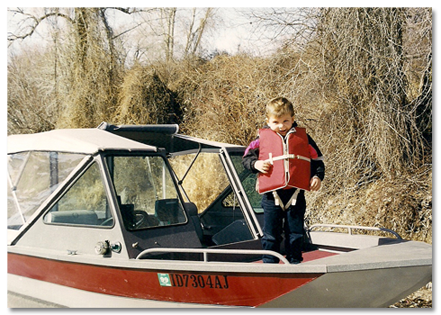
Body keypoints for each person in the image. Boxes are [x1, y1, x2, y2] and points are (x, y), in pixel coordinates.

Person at [242, 97, 325, 264]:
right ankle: (270, 263)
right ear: (268, 121)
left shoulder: (304, 139)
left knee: (295, 232)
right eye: (276, 122)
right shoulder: (261, 140)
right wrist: (256, 163)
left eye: (286, 121)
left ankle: (295, 262)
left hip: (295, 195)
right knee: (271, 233)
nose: (281, 126)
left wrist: (317, 177)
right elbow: (246, 159)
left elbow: (318, 162)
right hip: (271, 196)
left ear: (293, 119)